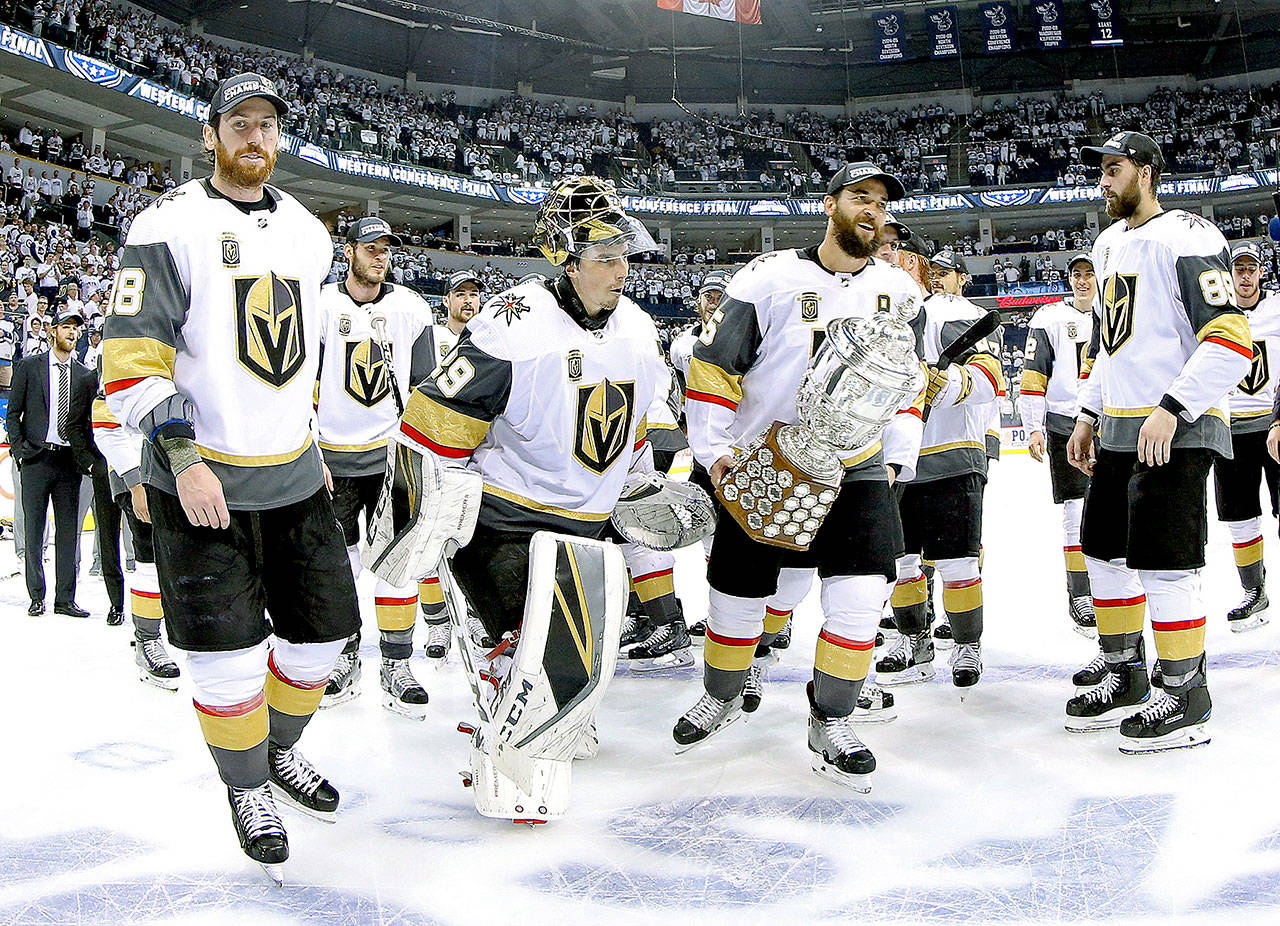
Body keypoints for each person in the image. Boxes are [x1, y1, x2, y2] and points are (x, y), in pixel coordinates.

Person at [102, 72, 359, 881]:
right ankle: (246, 787)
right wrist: (183, 458)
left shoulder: (310, 233)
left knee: (321, 638)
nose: (256, 137)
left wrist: (312, 443)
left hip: (291, 475)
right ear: (211, 134)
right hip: (201, 479)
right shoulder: (166, 223)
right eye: (240, 123)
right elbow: (132, 358)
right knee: (227, 657)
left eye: (269, 126)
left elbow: (297, 362)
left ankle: (275, 753)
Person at [381, 175, 668, 820]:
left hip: (591, 524)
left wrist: (641, 488)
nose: (622, 270)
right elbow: (434, 419)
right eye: (605, 257)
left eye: (625, 257)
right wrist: (424, 515)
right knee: (524, 654)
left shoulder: (641, 330)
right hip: (507, 520)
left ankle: (540, 709)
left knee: (578, 657)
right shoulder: (513, 323)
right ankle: (505, 726)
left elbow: (638, 426)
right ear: (564, 258)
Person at [677, 161, 924, 791]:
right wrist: (714, 450)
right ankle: (723, 694)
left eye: (881, 202)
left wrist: (900, 448)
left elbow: (905, 381)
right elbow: (713, 367)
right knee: (737, 595)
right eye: (860, 197)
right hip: (768, 458)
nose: (873, 210)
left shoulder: (901, 292)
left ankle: (832, 718)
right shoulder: (768, 278)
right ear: (830, 205)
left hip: (856, 464)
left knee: (862, 596)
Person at [1065, 132, 1250, 753]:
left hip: (1177, 426)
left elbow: (1230, 339)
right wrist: (1090, 412)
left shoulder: (1191, 237)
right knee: (1104, 553)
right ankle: (1125, 670)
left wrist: (1174, 407)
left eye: (1113, 169)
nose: (1103, 181)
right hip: (1120, 424)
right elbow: (1110, 344)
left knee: (1166, 563)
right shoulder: (1109, 242)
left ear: (1145, 172)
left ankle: (1186, 691)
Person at [314, 216, 442, 718]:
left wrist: (425, 451)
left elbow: (428, 384)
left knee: (396, 560)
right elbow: (301, 378)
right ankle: (345, 655)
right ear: (350, 252)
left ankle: (396, 662)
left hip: (392, 456)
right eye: (370, 247)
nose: (380, 255)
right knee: (339, 564)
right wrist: (308, 443)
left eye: (386, 248)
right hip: (333, 458)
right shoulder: (321, 305)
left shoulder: (411, 307)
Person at [878, 248, 1004, 689]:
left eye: (904, 258)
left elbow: (991, 378)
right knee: (903, 561)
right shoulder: (878, 311)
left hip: (950, 454)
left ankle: (968, 644)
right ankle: (913, 639)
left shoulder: (953, 312)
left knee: (957, 563)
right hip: (895, 458)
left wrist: (945, 382)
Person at [1018, 253, 1097, 634]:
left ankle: (1115, 586)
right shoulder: (1050, 318)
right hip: (1067, 423)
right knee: (1074, 511)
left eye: (1089, 273)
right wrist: (1034, 426)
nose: (1083, 280)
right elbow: (1034, 373)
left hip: (1113, 422)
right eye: (1076, 274)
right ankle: (1079, 593)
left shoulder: (1116, 310)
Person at [6, 306, 95, 617]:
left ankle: (65, 599)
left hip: (69, 462)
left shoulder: (84, 374)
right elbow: (12, 414)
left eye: (76, 329)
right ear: (52, 330)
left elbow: (86, 423)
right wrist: (20, 450)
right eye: (66, 327)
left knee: (69, 532)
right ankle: (36, 596)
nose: (72, 333)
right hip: (36, 458)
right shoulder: (29, 367)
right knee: (34, 529)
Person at [92, 378, 180, 687]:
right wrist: (135, 481)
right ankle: (147, 639)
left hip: (186, 469)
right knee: (149, 559)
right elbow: (105, 421)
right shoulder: (123, 338)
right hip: (141, 475)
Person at [1210, 242, 1279, 632]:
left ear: (1261, 272)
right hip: (1232, 429)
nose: (1245, 275)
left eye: (1251, 268)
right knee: (1240, 516)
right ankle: (1255, 591)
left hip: (1276, 424)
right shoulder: (1217, 313)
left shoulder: (1278, 307)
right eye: (1239, 269)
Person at [433, 269, 481, 365]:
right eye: (460, 294)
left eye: (473, 294)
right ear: (446, 301)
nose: (468, 300)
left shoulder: (488, 341)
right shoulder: (432, 336)